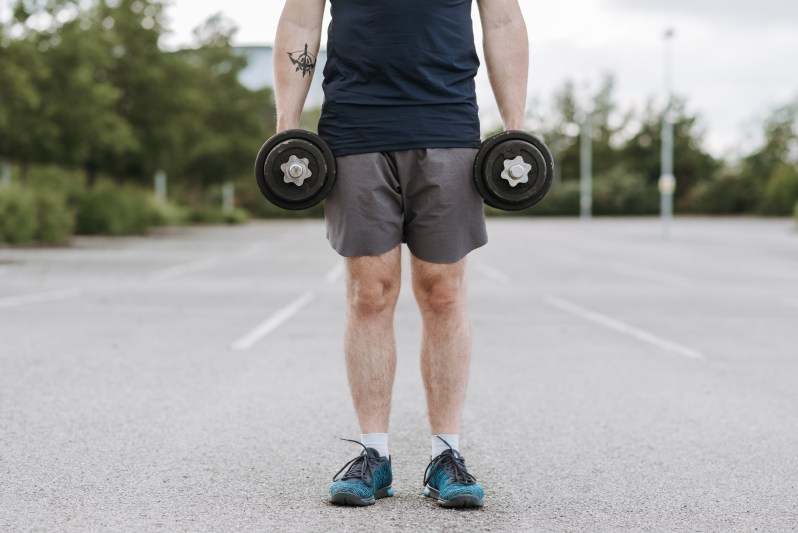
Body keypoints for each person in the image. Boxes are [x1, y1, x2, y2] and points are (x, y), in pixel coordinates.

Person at [273, 0, 528, 509]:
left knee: (443, 291)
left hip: (447, 124)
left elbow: (502, 20)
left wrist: (515, 124)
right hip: (355, 128)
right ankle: (374, 456)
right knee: (369, 292)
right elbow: (300, 20)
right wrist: (287, 124)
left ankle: (446, 456)